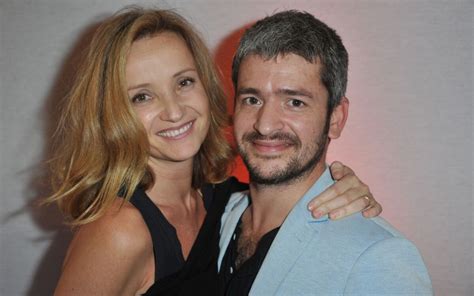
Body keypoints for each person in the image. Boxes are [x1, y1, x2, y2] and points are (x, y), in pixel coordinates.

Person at [46, 7, 382, 295]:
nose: (174, 111)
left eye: (184, 82)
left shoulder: (223, 201)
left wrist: (341, 185)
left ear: (207, 85)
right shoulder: (119, 231)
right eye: (142, 96)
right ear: (114, 113)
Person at [218, 10, 433, 295]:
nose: (265, 125)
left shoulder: (378, 257)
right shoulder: (219, 214)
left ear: (335, 118)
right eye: (252, 99)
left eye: (294, 102)